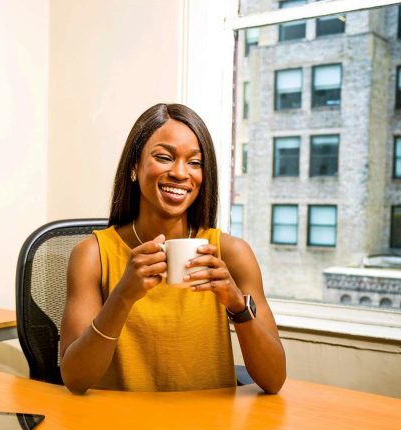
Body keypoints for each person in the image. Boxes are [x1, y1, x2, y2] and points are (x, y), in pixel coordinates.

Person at [60, 103, 286, 394]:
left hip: (207, 427)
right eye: (164, 157)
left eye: (195, 162)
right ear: (134, 166)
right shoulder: (92, 255)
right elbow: (76, 379)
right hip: (120, 429)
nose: (181, 173)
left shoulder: (232, 254)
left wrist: (237, 305)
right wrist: (123, 296)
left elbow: (274, 380)